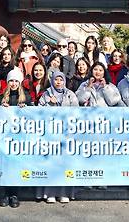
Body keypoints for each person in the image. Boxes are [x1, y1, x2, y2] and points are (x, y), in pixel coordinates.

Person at [37, 70, 78, 203]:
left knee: (65, 164)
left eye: (61, 79)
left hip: (67, 134)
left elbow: (76, 113)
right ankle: (50, 193)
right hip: (50, 135)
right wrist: (50, 104)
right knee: (51, 164)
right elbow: (39, 113)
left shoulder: (70, 95)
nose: (58, 82)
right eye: (56, 79)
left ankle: (64, 192)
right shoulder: (45, 95)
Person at [0, 69, 33, 208]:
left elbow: (33, 116)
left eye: (16, 81)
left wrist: (27, 108)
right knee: (5, 166)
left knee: (17, 166)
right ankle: (6, 194)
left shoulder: (27, 97)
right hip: (5, 137)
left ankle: (15, 194)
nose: (13, 83)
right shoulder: (1, 97)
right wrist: (0, 108)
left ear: (20, 82)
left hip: (20, 138)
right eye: (11, 80)